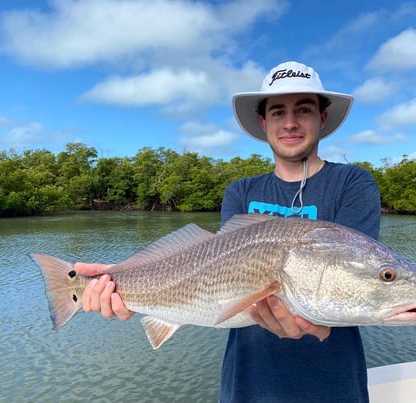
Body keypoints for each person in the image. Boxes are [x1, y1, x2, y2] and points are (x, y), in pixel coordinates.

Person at [76, 61, 381, 403]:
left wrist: (320, 327)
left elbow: (358, 281)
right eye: (278, 112)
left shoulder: (352, 183)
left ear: (322, 119)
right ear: (264, 123)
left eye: (304, 109)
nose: (291, 122)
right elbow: (202, 263)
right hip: (247, 386)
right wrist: (122, 280)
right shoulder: (241, 192)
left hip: (333, 387)